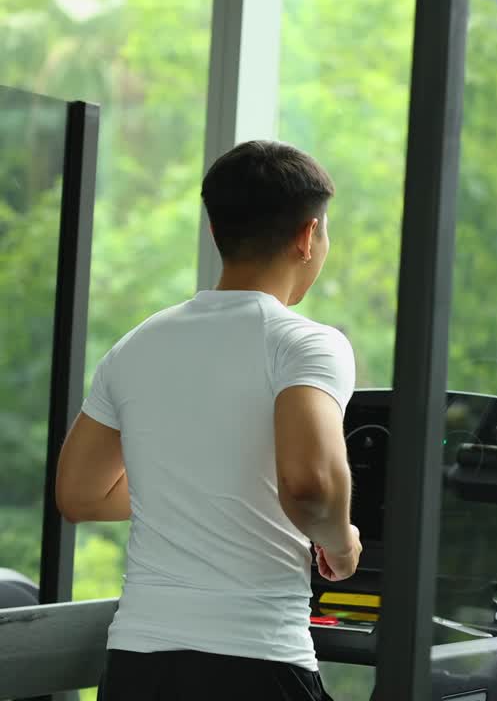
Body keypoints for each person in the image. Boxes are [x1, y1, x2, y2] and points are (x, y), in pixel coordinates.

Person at [55, 140, 360, 700]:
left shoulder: (136, 345)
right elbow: (310, 487)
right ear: (307, 236)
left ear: (217, 233)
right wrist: (341, 544)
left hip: (137, 669)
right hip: (256, 665)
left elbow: (79, 495)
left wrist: (181, 487)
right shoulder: (306, 345)